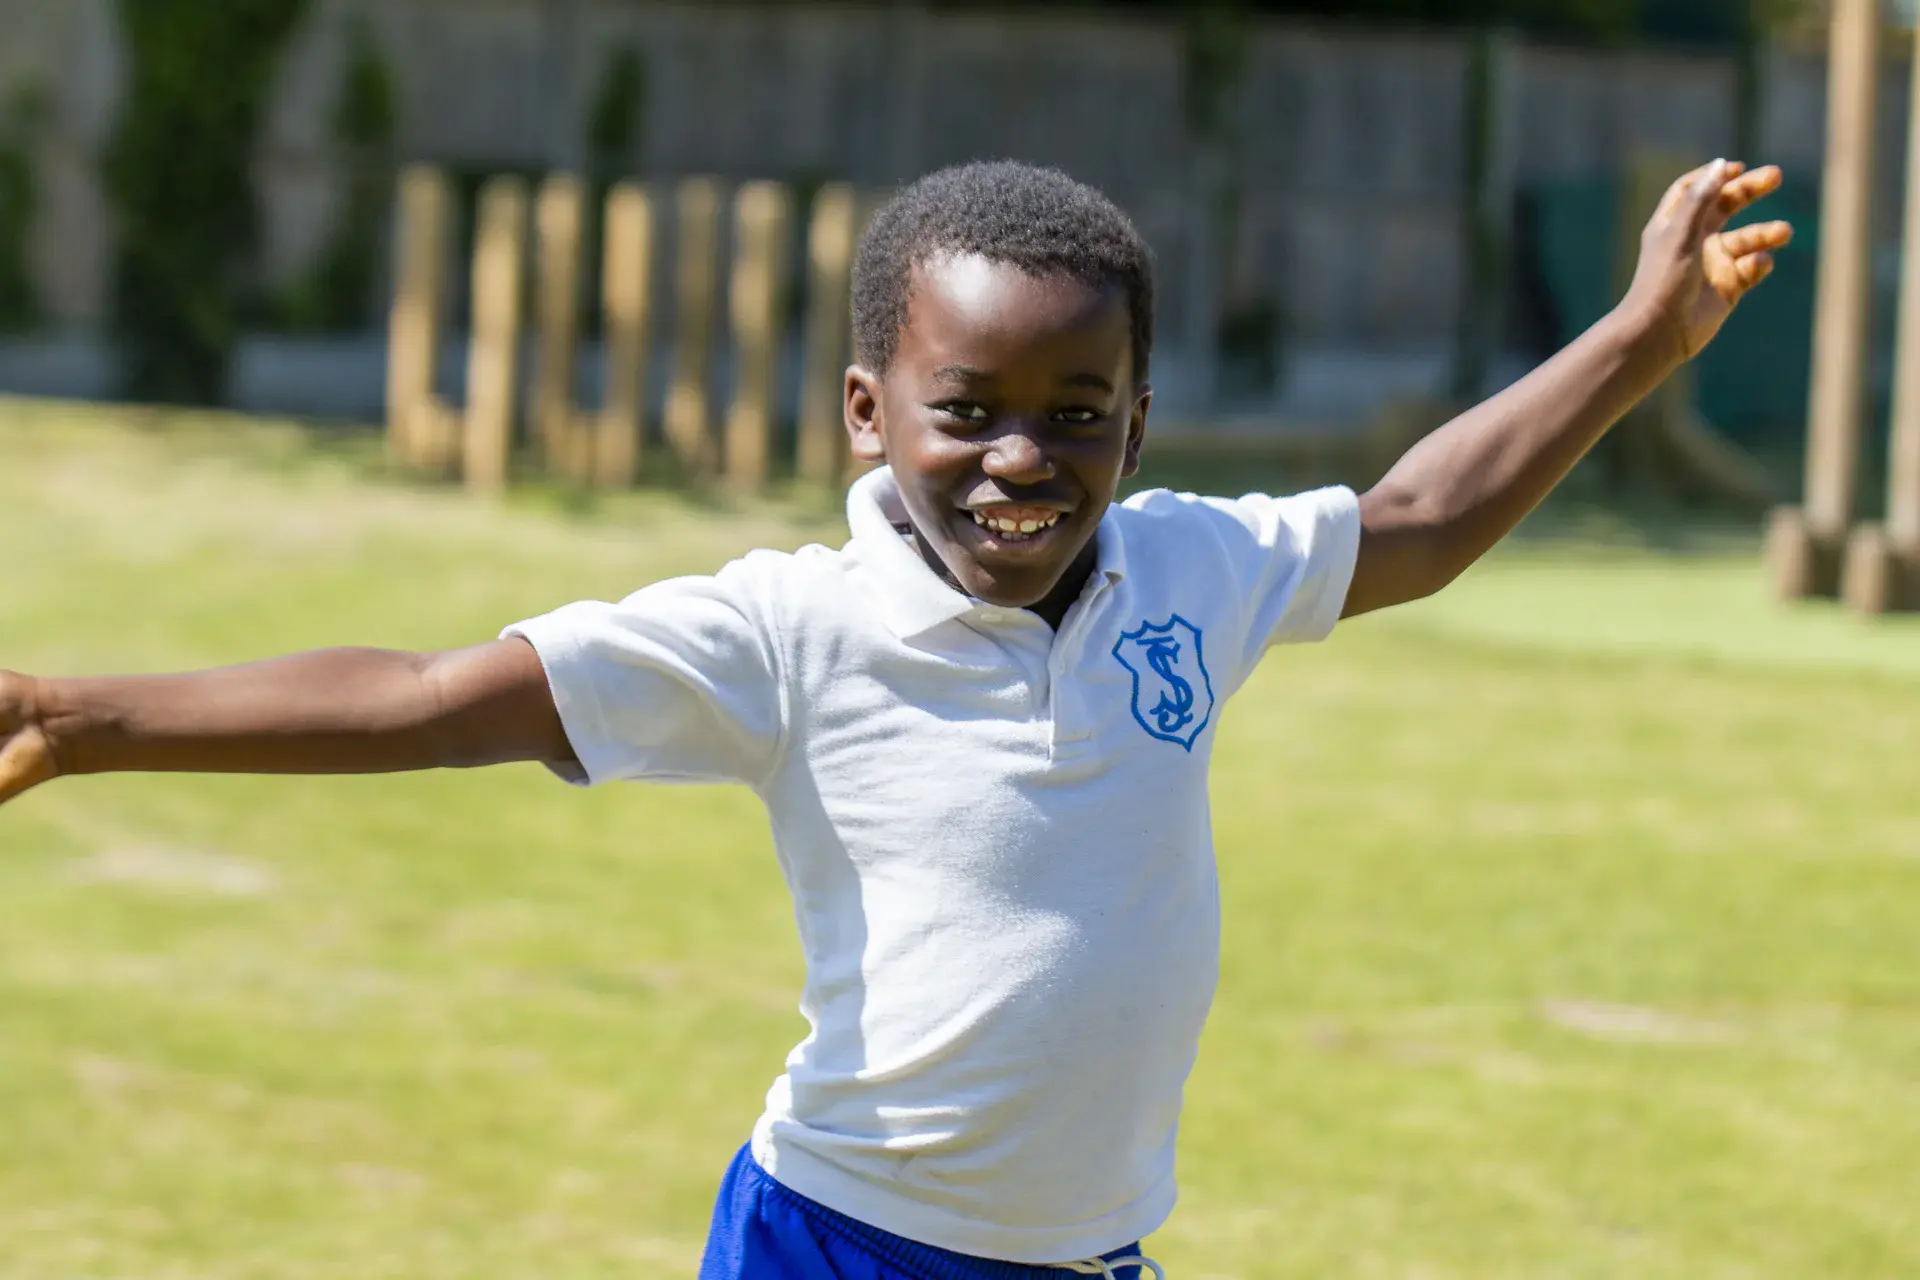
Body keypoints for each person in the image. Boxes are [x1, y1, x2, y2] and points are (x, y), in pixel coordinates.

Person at [0, 158, 1788, 1279]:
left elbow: (1413, 523)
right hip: (839, 1244)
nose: (1025, 456)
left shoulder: (1189, 574)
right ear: (869, 412)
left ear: (1140, 425)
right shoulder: (791, 630)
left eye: (1077, 412)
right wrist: (74, 716)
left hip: (1085, 1256)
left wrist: (1638, 334)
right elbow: (429, 698)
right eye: (968, 409)